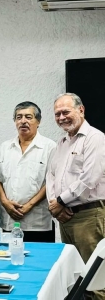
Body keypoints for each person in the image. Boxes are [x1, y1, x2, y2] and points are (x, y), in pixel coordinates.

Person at [47, 94, 105, 277]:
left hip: (88, 216)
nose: (61, 117)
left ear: (81, 110)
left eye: (65, 112)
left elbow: (90, 178)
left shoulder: (94, 138)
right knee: (74, 277)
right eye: (57, 114)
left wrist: (60, 201)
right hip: (65, 217)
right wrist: (54, 204)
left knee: (93, 279)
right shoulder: (62, 143)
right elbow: (51, 175)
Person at [0, 102, 56, 242]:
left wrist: (29, 205)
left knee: (39, 261)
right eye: (19, 117)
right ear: (15, 121)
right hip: (9, 219)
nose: (23, 121)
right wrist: (5, 202)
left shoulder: (50, 147)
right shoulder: (4, 147)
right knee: (10, 259)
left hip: (38, 221)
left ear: (38, 121)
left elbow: (51, 181)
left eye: (28, 117)